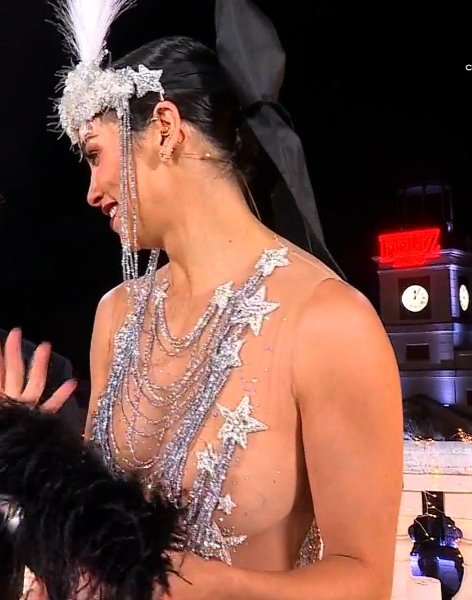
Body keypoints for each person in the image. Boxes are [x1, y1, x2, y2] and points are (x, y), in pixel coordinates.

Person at [18, 0, 404, 597]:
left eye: (95, 155)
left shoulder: (327, 323)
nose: (91, 191)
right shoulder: (116, 314)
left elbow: (365, 580)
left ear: (165, 129)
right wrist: (37, 461)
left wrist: (206, 585)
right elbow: (102, 528)